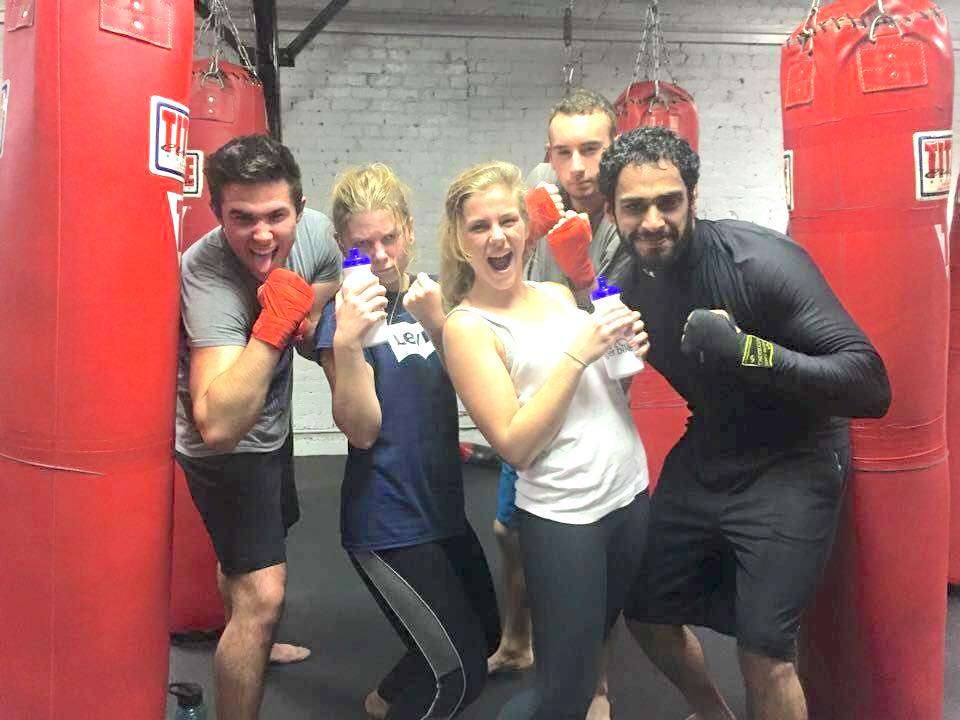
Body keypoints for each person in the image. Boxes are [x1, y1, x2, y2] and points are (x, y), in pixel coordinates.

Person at [597, 126, 892, 720]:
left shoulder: (760, 263)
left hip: (796, 454)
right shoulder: (622, 285)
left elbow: (870, 384)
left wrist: (749, 350)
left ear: (693, 198)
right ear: (612, 211)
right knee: (647, 611)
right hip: (710, 446)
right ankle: (713, 712)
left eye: (669, 202)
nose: (653, 221)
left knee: (765, 650)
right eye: (635, 207)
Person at [440, 160, 650, 720]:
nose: (497, 236)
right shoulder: (467, 328)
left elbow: (609, 388)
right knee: (564, 691)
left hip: (628, 494)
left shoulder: (557, 295)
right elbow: (514, 444)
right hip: (564, 518)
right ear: (461, 241)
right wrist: (579, 353)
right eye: (479, 227)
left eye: (507, 220)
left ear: (527, 229)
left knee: (595, 648)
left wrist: (625, 347)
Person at [314, 163, 502, 720]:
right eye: (362, 243)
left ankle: (382, 703)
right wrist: (348, 343)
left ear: (408, 232)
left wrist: (442, 325)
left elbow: (477, 394)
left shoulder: (432, 300)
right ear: (342, 245)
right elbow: (362, 428)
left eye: (388, 238)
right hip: (388, 523)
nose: (379, 255)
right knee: (458, 678)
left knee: (487, 636)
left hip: (443, 513)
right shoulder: (341, 321)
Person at [174, 134, 342, 720]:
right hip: (222, 447)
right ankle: (251, 630)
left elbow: (330, 274)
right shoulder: (208, 274)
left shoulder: (316, 233)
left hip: (272, 422)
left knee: (254, 566)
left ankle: (250, 633)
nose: (263, 234)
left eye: (276, 216)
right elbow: (218, 423)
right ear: (219, 214)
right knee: (264, 598)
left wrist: (308, 304)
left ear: (299, 207)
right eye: (242, 219)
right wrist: (274, 324)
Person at [489, 87, 622, 720]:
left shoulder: (627, 219)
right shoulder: (540, 200)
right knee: (507, 529)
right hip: (537, 389)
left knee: (590, 553)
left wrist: (582, 274)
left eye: (591, 150)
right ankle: (518, 640)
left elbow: (621, 336)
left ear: (612, 148)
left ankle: (596, 683)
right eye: (564, 152)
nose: (578, 167)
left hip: (599, 391)